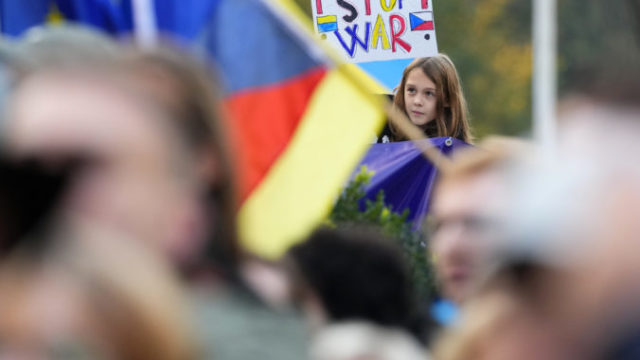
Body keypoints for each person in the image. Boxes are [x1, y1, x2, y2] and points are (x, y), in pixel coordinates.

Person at [386, 54, 473, 143]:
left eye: (429, 93)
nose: (417, 101)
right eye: (411, 90)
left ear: (447, 100)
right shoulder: (380, 124)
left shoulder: (458, 152)